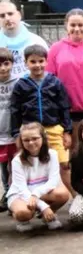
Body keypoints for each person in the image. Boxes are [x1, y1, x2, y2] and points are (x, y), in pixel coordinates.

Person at [11, 45, 73, 193]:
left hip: (53, 128)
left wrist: (67, 131)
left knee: (64, 163)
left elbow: (64, 107)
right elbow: (15, 111)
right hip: (31, 131)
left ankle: (76, 196)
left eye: (41, 61)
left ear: (46, 62)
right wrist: (16, 134)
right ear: (26, 63)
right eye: (33, 61)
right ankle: (30, 197)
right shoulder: (21, 85)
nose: (37, 65)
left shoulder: (55, 82)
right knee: (33, 164)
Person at [7, 122, 70, 232]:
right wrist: (43, 206)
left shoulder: (52, 154)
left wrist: (36, 195)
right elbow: (21, 189)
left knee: (63, 194)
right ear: (21, 141)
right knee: (24, 213)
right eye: (26, 140)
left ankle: (47, 216)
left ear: (43, 138)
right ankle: (24, 220)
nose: (31, 142)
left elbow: (53, 181)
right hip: (22, 194)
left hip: (41, 191)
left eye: (35, 138)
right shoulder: (17, 160)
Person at [0, 1, 48, 79]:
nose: (7, 18)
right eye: (2, 16)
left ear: (19, 15)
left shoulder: (37, 41)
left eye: (10, 14)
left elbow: (47, 69)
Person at [0, 48, 19, 212]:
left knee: (16, 166)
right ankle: (7, 195)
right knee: (3, 167)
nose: (3, 68)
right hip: (0, 137)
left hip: (14, 134)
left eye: (6, 64)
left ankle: (17, 196)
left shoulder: (18, 83)